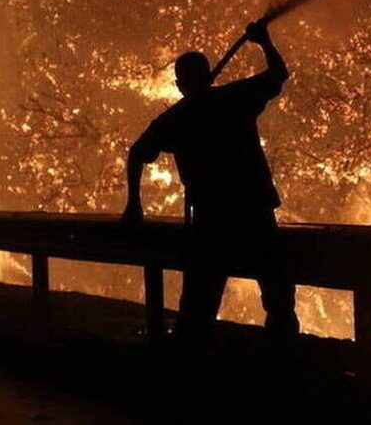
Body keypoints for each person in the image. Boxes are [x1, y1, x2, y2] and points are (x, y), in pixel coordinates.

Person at [122, 19, 299, 350]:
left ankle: (191, 369)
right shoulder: (234, 99)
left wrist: (134, 204)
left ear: (179, 85)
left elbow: (137, 154)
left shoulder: (177, 119)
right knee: (277, 297)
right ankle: (282, 359)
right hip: (252, 214)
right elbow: (278, 74)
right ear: (206, 77)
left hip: (213, 220)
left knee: (200, 305)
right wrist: (264, 42)